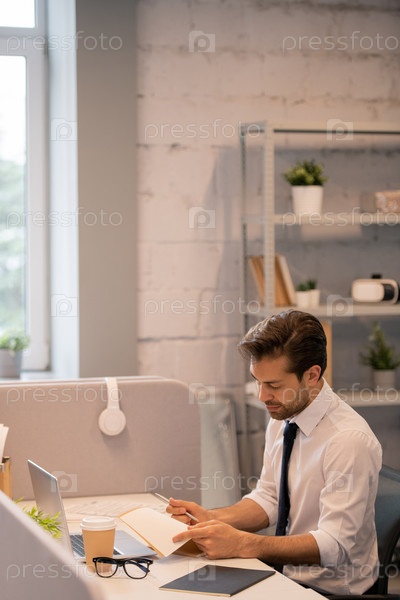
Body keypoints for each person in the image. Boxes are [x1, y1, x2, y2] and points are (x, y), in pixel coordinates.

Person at [169, 310, 382, 595]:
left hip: (330, 592)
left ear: (312, 375)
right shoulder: (284, 416)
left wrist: (243, 543)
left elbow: (334, 546)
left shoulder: (347, 441)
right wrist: (210, 519)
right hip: (285, 579)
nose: (262, 396)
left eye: (274, 385)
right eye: (257, 381)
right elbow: (270, 498)